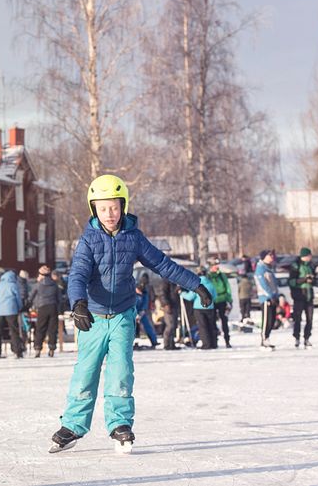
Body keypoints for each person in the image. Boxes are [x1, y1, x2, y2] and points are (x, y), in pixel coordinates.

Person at [49, 174, 211, 454]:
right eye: (102, 208)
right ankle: (74, 425)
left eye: (113, 207)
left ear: (123, 205)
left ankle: (120, 424)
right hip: (93, 317)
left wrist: (195, 284)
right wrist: (78, 304)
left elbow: (162, 263)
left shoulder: (133, 237)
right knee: (85, 373)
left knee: (121, 371)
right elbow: (77, 274)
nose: (109, 214)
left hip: (123, 314)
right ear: (94, 210)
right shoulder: (88, 240)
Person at [0, 270, 24, 359]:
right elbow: (18, 298)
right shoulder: (13, 285)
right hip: (11, 311)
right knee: (14, 331)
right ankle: (17, 351)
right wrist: (20, 307)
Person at [28, 265, 62, 357]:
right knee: (52, 329)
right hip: (53, 307)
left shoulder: (38, 285)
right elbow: (59, 298)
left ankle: (38, 348)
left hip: (42, 307)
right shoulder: (55, 285)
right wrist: (59, 309)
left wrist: (30, 305)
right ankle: (52, 348)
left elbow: (31, 297)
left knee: (40, 329)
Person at [181, 267, 218, 349]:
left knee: (203, 326)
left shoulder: (197, 284)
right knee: (211, 325)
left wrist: (182, 294)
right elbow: (215, 297)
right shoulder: (211, 284)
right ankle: (213, 343)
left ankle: (206, 344)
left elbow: (190, 297)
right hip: (210, 308)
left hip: (199, 308)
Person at [289, 247, 316, 348]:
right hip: (299, 295)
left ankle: (307, 338)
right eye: (309, 255)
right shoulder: (296, 266)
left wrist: (312, 280)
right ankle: (297, 337)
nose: (310, 257)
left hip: (309, 295)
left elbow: (315, 279)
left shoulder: (311, 266)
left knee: (309, 318)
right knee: (298, 318)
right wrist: (304, 279)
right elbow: (292, 281)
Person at [254, 249, 279, 350]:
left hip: (272, 297)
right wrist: (270, 295)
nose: (272, 257)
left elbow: (274, 284)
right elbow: (263, 284)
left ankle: (267, 338)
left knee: (272, 320)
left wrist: (277, 295)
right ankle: (264, 340)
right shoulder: (261, 269)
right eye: (269, 255)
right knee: (266, 320)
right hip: (266, 298)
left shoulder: (269, 269)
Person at [208, 258, 233, 348]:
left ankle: (227, 340)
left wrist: (229, 299)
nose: (217, 267)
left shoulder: (222, 275)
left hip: (222, 300)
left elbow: (227, 287)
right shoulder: (208, 276)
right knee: (212, 321)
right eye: (215, 265)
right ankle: (214, 340)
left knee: (224, 321)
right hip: (212, 301)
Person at [156, 278, 181, 350]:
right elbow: (162, 294)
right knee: (170, 325)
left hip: (174, 305)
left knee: (174, 325)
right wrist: (166, 304)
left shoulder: (174, 281)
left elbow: (173, 292)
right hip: (169, 306)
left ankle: (171, 343)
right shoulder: (165, 281)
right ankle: (167, 344)